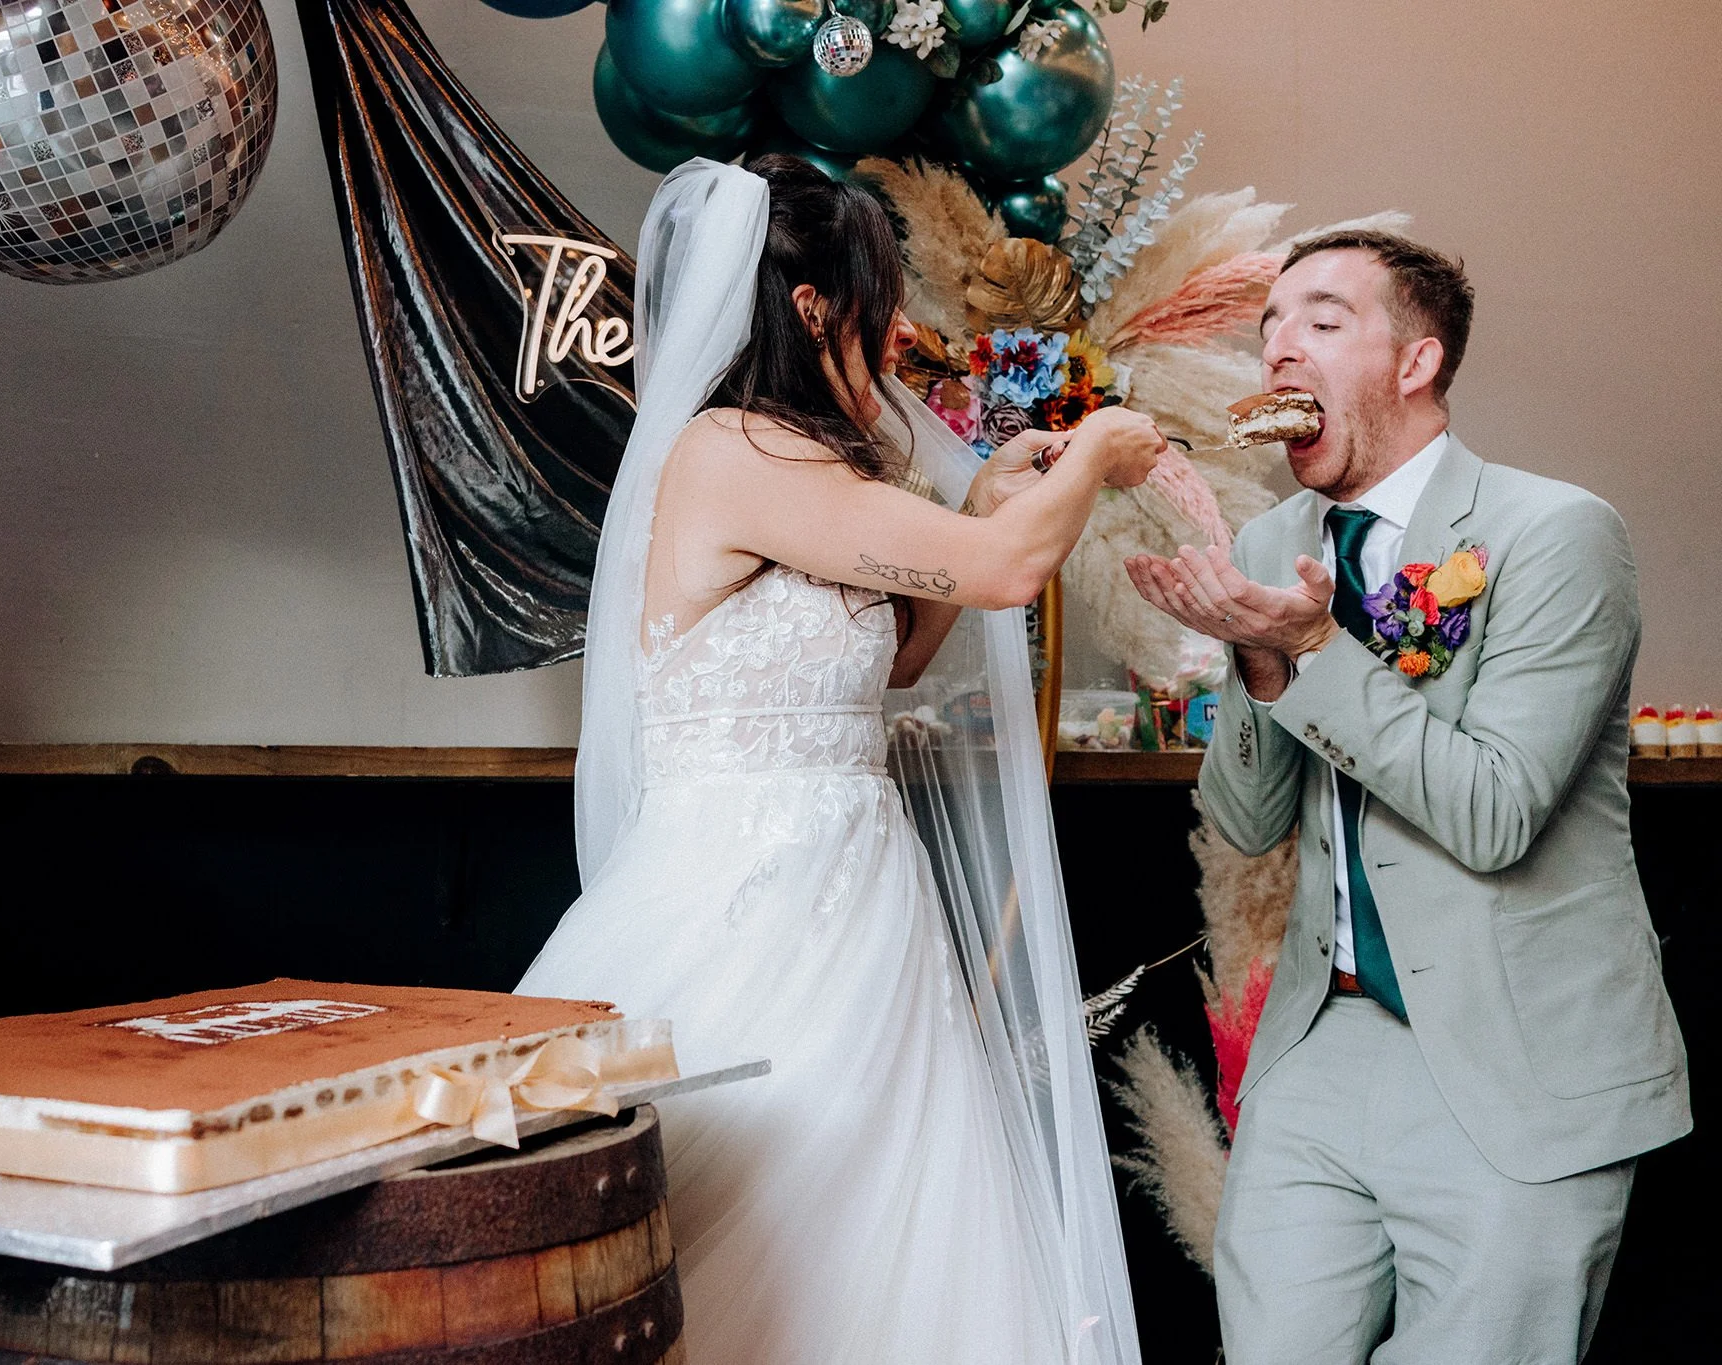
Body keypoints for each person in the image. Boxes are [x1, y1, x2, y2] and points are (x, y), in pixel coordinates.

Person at [515, 155, 1166, 1363]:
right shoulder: (729, 450)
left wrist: (976, 509)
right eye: (880, 290)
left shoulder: (816, 462)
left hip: (862, 902)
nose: (900, 323)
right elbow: (1005, 578)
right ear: (813, 305)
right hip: (735, 899)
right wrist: (1089, 457)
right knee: (742, 1222)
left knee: (875, 1229)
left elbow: (908, 652)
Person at [1126, 230, 1690, 1363]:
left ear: (1415, 362)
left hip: (1509, 1061)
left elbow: (1493, 812)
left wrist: (1311, 647)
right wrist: (1252, 655)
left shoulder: (1553, 534)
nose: (1279, 350)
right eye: (1269, 326)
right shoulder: (1271, 540)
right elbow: (1242, 823)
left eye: (1321, 322)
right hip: (1317, 1048)